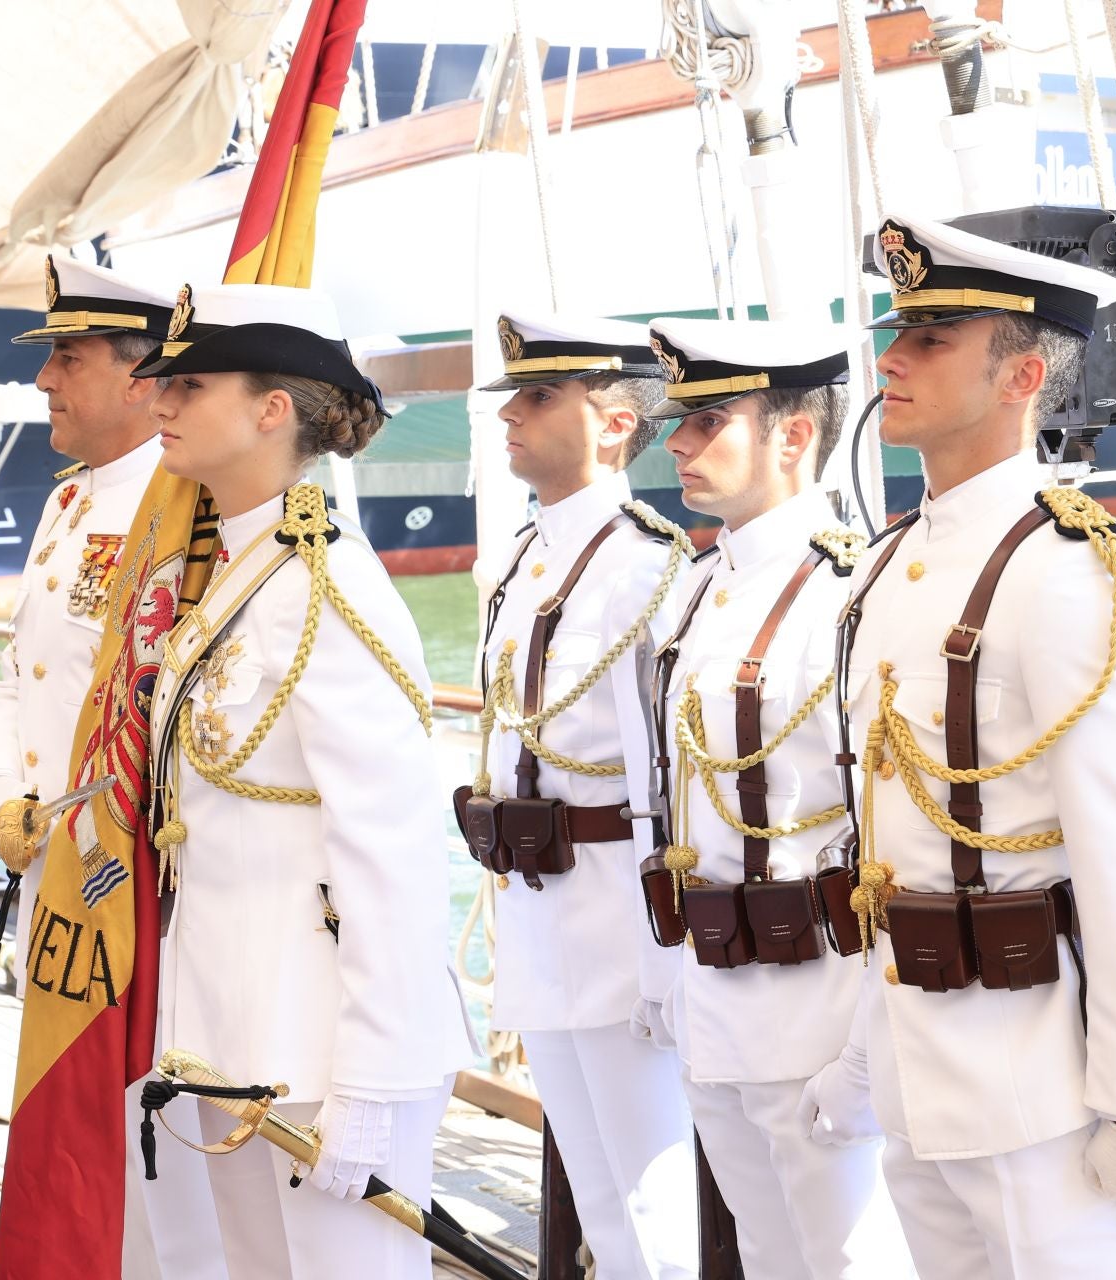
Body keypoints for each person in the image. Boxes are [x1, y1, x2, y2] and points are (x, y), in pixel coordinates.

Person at [810, 213, 1116, 1275]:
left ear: (1023, 373)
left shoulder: (1064, 576)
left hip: (1045, 1102)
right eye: (899, 331)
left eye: (932, 338)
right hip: (918, 1083)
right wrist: (859, 1053)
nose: (891, 356)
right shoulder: (889, 569)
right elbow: (885, 850)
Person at [136, 283, 472, 1279]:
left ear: (272, 409)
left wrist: (373, 1079)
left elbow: (394, 850)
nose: (160, 398)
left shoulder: (329, 586)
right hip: (233, 1033)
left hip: (325, 1050)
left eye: (190, 382)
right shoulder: (243, 574)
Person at [643, 317, 911, 1276]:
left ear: (792, 437)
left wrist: (868, 1063)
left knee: (850, 1265)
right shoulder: (698, 588)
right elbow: (677, 803)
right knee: (764, 1259)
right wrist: (666, 981)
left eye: (709, 419)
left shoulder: (855, 593)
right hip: (713, 994)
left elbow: (895, 843)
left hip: (818, 1012)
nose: (676, 439)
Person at [0, 255, 224, 1278]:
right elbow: (13, 678)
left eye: (65, 359)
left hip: (132, 897)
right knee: (77, 1159)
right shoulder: (70, 505)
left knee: (150, 1172)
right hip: (52, 874)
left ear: (138, 375)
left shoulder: (188, 518)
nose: (42, 383)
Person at [462, 313, 697, 1279]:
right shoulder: (520, 560)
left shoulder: (647, 563)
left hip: (614, 916)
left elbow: (665, 780)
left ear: (610, 423)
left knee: (656, 1196)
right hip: (536, 909)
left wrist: (664, 959)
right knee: (597, 1195)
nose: (511, 414)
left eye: (539, 396)